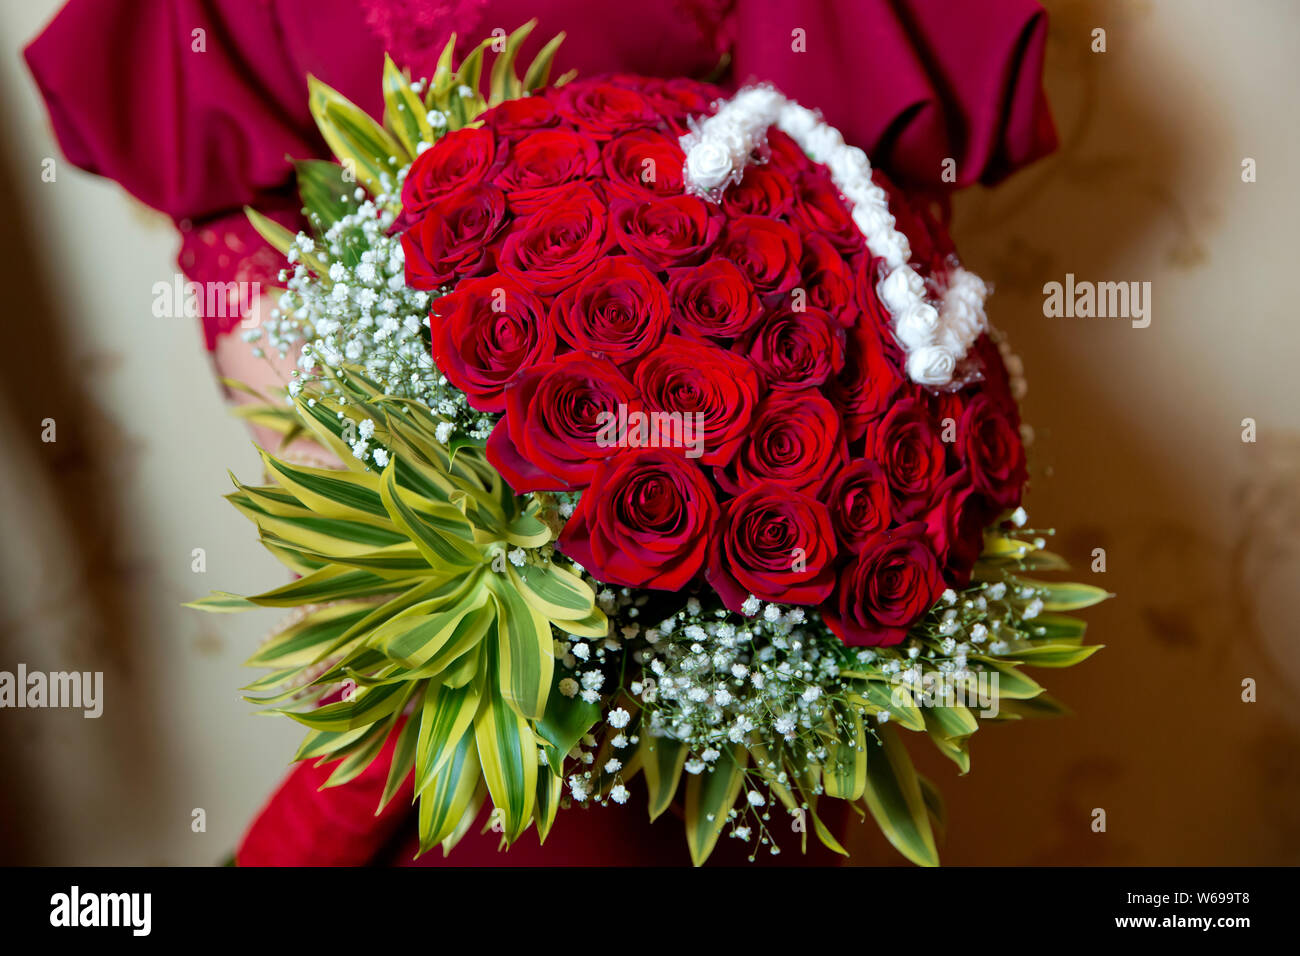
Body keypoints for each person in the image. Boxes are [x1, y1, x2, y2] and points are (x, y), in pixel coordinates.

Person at [25, 0, 1057, 866]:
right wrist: (371, 501)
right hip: (429, 547)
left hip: (711, 591)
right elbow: (231, 218)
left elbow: (857, 216)